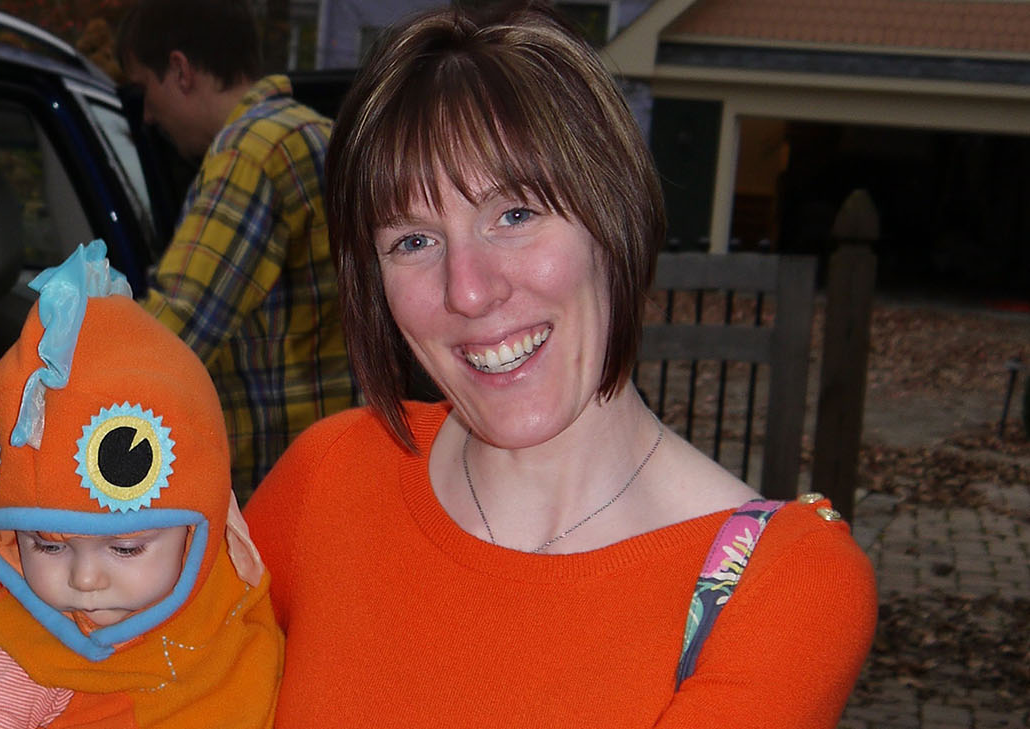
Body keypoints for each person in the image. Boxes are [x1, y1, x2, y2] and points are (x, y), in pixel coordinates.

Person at [243, 4, 877, 727]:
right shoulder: (329, 478)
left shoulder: (780, 586)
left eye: (514, 215)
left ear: (614, 216)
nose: (469, 289)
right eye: (413, 241)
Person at [0, 242, 281, 729]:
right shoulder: (23, 649)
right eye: (48, 547)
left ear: (202, 523)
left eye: (127, 547)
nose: (85, 580)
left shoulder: (232, 607)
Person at [116, 0, 358, 499]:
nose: (147, 116)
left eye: (145, 88)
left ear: (180, 71)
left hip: (278, 484)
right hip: (333, 466)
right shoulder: (316, 133)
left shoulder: (253, 151)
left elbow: (173, 333)